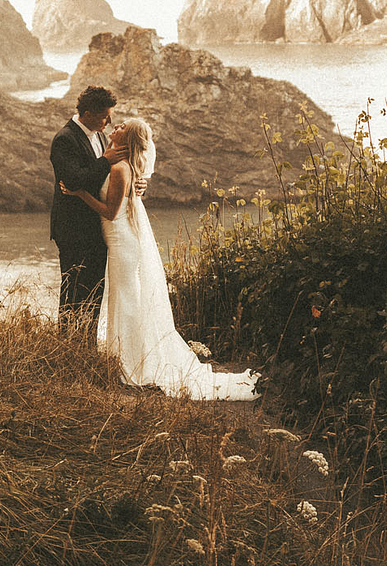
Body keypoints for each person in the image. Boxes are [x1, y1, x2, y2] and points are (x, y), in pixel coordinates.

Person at [63, 118, 260, 400]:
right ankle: (126, 357)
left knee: (127, 300)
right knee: (124, 299)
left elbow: (108, 212)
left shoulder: (120, 168)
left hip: (122, 242)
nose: (113, 126)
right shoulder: (118, 164)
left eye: (119, 127)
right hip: (119, 240)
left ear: (125, 139)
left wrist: (78, 192)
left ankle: (131, 365)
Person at [49, 85, 124, 337]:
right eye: (105, 116)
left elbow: (108, 180)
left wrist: (137, 184)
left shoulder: (100, 136)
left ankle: (87, 344)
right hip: (72, 229)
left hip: (96, 227)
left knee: (95, 291)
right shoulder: (64, 139)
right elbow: (73, 180)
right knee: (72, 291)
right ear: (89, 113)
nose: (110, 121)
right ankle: (66, 345)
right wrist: (106, 161)